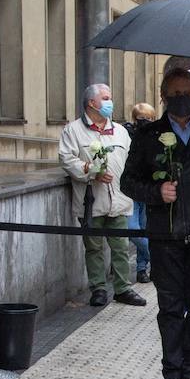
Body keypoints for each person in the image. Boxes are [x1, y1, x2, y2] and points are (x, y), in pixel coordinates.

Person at [122, 66, 190, 379]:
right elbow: (128, 181)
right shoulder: (147, 135)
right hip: (165, 234)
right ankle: (171, 371)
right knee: (170, 306)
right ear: (164, 96)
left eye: (187, 92)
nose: (182, 99)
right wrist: (156, 193)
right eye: (176, 93)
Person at [60, 85, 146, 308]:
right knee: (94, 247)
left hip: (118, 199)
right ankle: (98, 289)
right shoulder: (73, 130)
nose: (110, 102)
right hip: (91, 201)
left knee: (120, 245)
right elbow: (67, 160)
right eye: (106, 98)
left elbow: (133, 159)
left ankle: (123, 288)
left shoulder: (119, 131)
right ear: (92, 103)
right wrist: (91, 171)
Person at [126, 102, 156, 284]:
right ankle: (157, 258)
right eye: (141, 118)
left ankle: (141, 269)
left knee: (145, 229)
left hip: (148, 190)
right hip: (131, 190)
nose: (146, 122)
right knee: (133, 229)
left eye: (150, 118)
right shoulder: (127, 134)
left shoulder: (157, 135)